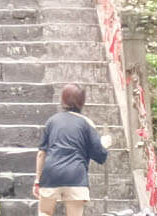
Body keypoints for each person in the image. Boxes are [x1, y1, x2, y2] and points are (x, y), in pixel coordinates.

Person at [33, 83, 108, 216]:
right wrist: (104, 144)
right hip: (76, 176)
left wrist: (37, 180)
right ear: (82, 101)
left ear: (63, 99)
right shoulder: (86, 123)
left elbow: (41, 154)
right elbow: (100, 155)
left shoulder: (52, 121)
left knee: (44, 212)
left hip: (51, 174)